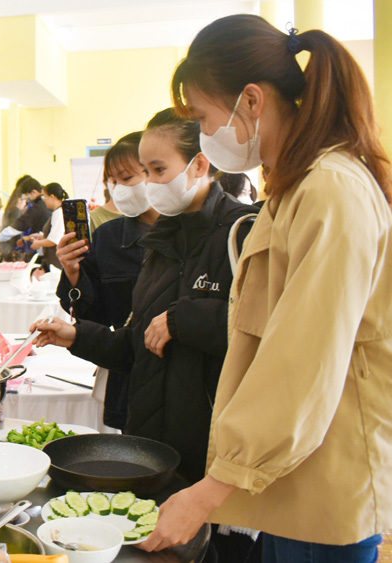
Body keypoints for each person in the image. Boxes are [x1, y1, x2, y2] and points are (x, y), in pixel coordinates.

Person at [136, 16, 392, 562]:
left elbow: (302, 362)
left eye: (204, 118)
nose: (205, 135)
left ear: (251, 101)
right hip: (284, 478)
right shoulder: (295, 188)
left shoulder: (332, 191)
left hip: (324, 486)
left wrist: (210, 490)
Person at [32, 108, 258, 484]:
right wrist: (77, 336)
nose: (150, 184)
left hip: (218, 451)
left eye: (157, 170)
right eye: (146, 172)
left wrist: (182, 319)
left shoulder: (243, 232)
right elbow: (141, 346)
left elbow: (266, 328)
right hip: (151, 445)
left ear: (199, 164)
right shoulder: (161, 241)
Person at [55, 131, 157, 430]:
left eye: (126, 178)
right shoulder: (109, 237)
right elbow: (95, 317)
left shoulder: (186, 235)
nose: (118, 188)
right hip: (125, 373)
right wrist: (73, 272)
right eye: (111, 180)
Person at [28, 182, 68, 269]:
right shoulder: (58, 212)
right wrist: (41, 236)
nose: (44, 199)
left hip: (56, 262)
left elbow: (53, 240)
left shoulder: (59, 213)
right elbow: (57, 234)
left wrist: (38, 243)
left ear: (52, 197)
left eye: (45, 196)